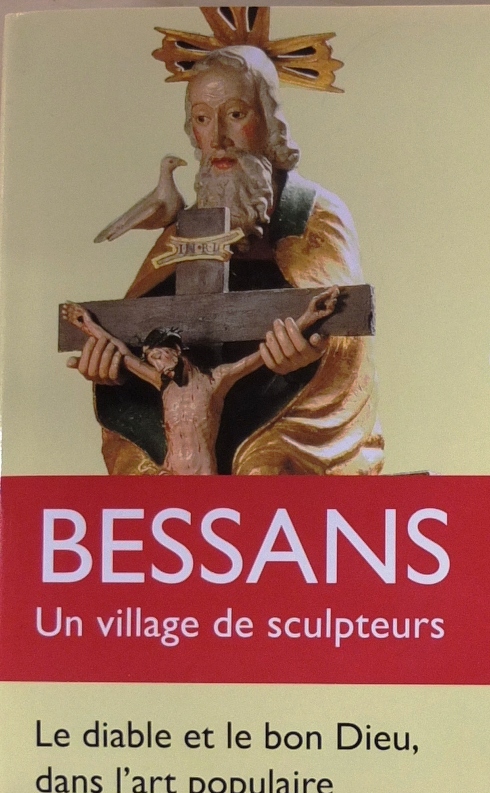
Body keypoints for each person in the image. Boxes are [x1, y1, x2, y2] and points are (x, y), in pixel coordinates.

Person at [72, 46, 383, 477]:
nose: (218, 138)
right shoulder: (182, 230)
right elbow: (132, 328)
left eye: (235, 114)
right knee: (143, 480)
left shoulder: (312, 213)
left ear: (269, 121)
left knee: (263, 477)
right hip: (185, 421)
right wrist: (112, 368)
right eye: (202, 119)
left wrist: (311, 353)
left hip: (286, 419)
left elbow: (346, 326)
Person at [65, 289, 336, 475]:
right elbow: (123, 354)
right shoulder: (162, 383)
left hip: (205, 475)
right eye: (151, 359)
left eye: (159, 356)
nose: (156, 364)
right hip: (168, 474)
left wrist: (308, 316)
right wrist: (87, 324)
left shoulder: (215, 381)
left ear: (176, 351)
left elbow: (260, 357)